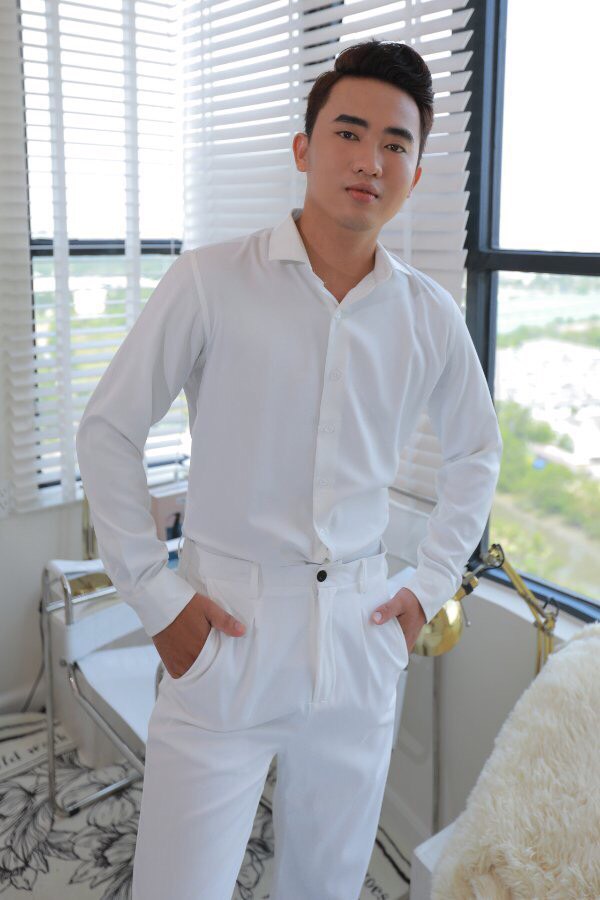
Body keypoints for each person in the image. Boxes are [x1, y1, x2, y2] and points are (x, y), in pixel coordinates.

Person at [76, 37, 503, 900]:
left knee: (326, 884)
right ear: (305, 148)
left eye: (395, 144)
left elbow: (476, 452)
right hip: (224, 633)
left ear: (416, 174)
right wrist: (156, 599)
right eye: (350, 133)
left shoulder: (428, 315)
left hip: (359, 637)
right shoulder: (210, 281)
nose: (371, 160)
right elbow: (108, 431)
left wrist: (426, 587)